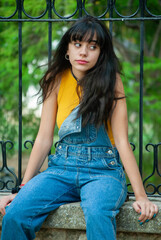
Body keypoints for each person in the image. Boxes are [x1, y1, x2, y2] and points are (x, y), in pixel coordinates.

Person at [0, 16, 158, 240]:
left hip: (102, 172)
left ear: (101, 53)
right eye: (78, 44)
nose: (84, 52)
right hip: (61, 169)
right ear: (67, 48)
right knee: (15, 215)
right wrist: (23, 187)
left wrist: (141, 196)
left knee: (97, 213)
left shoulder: (111, 82)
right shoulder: (55, 79)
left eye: (92, 47)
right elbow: (44, 138)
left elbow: (122, 142)